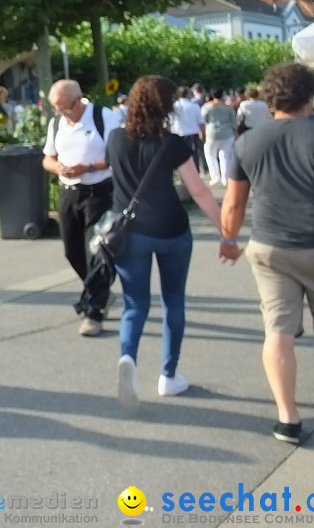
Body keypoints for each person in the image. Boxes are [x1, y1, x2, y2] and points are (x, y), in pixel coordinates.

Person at [221, 62, 314, 444]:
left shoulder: (246, 142)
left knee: (278, 332)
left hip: (269, 248)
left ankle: (287, 417)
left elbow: (233, 205)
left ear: (270, 97)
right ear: (310, 97)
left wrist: (229, 239)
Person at [105, 76, 225, 411]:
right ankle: (168, 376)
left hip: (129, 233)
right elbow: (198, 190)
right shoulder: (173, 144)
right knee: (173, 303)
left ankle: (128, 356)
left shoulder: (114, 138)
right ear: (167, 106)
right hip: (171, 229)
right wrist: (224, 230)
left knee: (135, 305)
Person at [42, 79, 120, 337]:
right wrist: (58, 167)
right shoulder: (57, 124)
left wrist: (87, 168)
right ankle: (101, 292)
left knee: (95, 252)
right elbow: (47, 158)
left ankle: (93, 312)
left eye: (65, 107)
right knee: (71, 250)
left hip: (99, 192)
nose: (61, 113)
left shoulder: (102, 116)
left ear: (79, 99)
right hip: (68, 192)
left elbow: (115, 155)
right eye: (57, 108)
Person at [201, 88, 236, 187]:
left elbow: (203, 121)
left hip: (212, 133)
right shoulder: (228, 107)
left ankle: (215, 176)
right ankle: (225, 178)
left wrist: (202, 134)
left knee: (210, 154)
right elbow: (233, 122)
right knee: (225, 156)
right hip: (227, 133)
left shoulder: (206, 107)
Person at [170, 86, 204, 172]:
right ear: (188, 94)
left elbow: (171, 121)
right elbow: (200, 121)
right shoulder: (194, 106)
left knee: (180, 155)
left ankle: (183, 173)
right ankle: (196, 171)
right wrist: (202, 133)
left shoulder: (174, 107)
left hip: (179, 133)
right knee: (194, 154)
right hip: (193, 132)